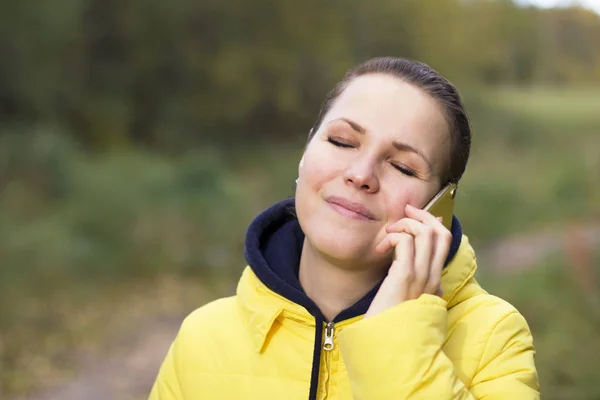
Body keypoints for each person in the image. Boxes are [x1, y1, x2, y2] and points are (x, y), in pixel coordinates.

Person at [149, 57, 539, 399]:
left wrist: (398, 338)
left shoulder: (494, 338)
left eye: (403, 166)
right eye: (341, 141)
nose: (360, 174)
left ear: (440, 206)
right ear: (306, 151)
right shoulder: (202, 338)